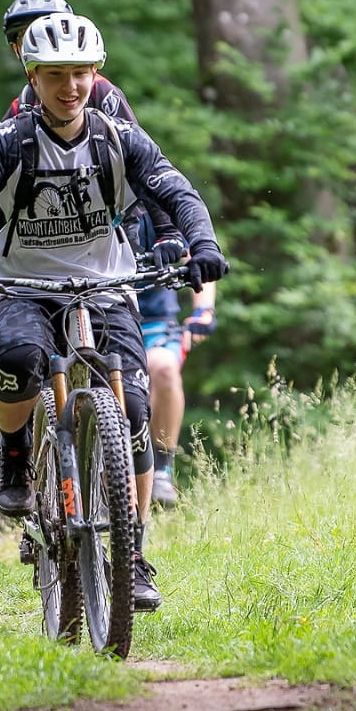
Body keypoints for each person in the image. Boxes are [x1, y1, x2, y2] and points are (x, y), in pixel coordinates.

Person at [0, 12, 228, 611]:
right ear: (32, 78)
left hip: (106, 286)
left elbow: (176, 189)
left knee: (135, 406)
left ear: (97, 74)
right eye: (57, 75)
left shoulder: (118, 138)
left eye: (82, 74)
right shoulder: (6, 142)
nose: (71, 87)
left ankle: (134, 552)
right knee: (15, 360)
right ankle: (13, 456)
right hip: (21, 288)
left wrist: (203, 244)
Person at [134, 211, 218, 508]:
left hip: (155, 322)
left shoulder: (154, 205)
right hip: (98, 318)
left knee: (164, 368)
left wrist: (203, 310)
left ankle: (162, 468)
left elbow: (196, 255)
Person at [0, 0, 136, 123]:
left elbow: (131, 139)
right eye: (27, 38)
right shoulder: (22, 105)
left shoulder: (100, 91)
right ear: (15, 48)